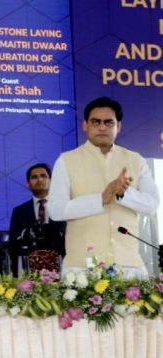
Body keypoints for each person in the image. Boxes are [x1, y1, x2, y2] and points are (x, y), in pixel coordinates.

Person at [48, 97, 160, 277]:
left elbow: (152, 205)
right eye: (96, 122)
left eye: (109, 122)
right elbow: (55, 210)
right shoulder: (66, 160)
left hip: (129, 265)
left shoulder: (135, 160)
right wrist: (100, 199)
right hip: (82, 267)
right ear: (85, 125)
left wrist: (124, 194)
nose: (102, 127)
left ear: (119, 126)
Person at [8, 163, 66, 275]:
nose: (39, 179)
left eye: (43, 176)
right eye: (34, 177)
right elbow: (13, 243)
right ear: (28, 184)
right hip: (29, 270)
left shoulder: (64, 206)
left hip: (61, 267)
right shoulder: (19, 211)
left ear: (51, 181)